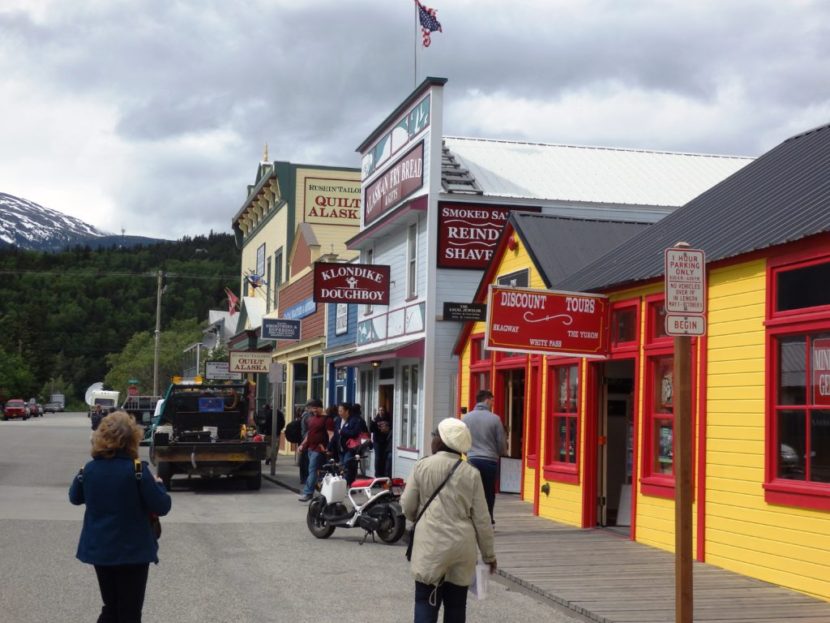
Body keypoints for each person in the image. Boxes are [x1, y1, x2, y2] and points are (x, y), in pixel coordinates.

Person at [69, 410, 172, 623]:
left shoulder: (89, 469)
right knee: (130, 612)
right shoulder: (137, 471)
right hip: (133, 551)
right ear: (132, 438)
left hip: (101, 550)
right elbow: (162, 506)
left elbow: (75, 497)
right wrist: (159, 485)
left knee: (111, 607)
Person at [401, 417, 497, 623]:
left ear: (440, 440)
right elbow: (482, 519)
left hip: (431, 544)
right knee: (456, 605)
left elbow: (408, 506)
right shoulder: (471, 473)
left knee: (425, 601)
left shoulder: (422, 466)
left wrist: (420, 516)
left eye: (435, 435)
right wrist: (489, 556)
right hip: (462, 546)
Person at [462, 389, 507, 525]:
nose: (493, 403)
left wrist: (468, 453)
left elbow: (462, 440)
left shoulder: (467, 418)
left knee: (471, 491)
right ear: (487, 400)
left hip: (472, 459)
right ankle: (488, 520)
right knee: (488, 492)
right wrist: (500, 453)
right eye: (492, 401)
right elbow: (501, 442)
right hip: (489, 460)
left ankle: (471, 518)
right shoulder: (495, 419)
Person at [297, 399, 333, 502]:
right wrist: (302, 445)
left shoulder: (327, 419)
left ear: (321, 407)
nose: (314, 410)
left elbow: (331, 434)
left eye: (316, 408)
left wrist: (328, 448)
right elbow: (309, 434)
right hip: (310, 448)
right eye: (313, 409)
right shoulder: (311, 419)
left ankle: (308, 493)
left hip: (319, 449)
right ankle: (321, 489)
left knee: (312, 470)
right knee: (317, 471)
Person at [332, 402, 368, 485]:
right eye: (338, 411)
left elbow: (354, 433)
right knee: (342, 467)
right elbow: (335, 434)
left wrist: (343, 431)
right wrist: (330, 447)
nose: (339, 413)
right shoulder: (338, 420)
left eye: (341, 411)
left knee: (347, 466)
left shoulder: (354, 420)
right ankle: (347, 484)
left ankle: (347, 484)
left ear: (347, 411)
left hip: (350, 448)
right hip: (340, 448)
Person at [370, 406, 393, 477]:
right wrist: (372, 422)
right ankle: (377, 475)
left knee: (384, 457)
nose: (381, 412)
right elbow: (371, 429)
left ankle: (383, 474)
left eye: (382, 410)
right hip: (377, 440)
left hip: (385, 440)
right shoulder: (376, 419)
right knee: (378, 457)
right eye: (379, 410)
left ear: (385, 411)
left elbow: (391, 428)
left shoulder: (388, 419)